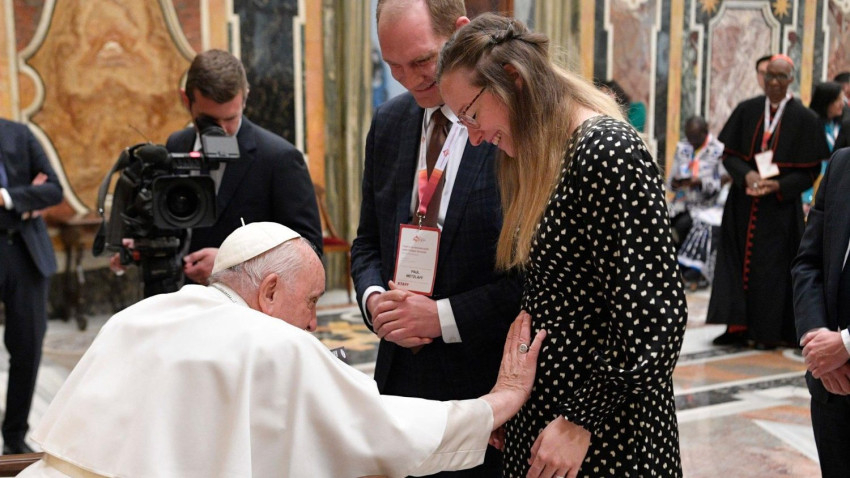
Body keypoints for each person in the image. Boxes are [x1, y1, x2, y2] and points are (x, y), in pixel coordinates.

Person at [17, 222, 546, 477]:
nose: (315, 321)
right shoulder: (269, 341)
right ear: (269, 291)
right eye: (311, 301)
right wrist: (498, 401)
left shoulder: (145, 312)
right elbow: (382, 429)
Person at [437, 13, 687, 477]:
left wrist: (580, 419)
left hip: (605, 435)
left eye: (471, 114)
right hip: (549, 417)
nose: (473, 136)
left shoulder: (606, 150)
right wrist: (516, 399)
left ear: (513, 78)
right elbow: (555, 298)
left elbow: (655, 318)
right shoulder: (541, 156)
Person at [351, 1, 522, 475]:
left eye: (422, 60)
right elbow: (366, 243)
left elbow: (532, 276)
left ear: (460, 32)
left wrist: (440, 317)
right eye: (393, 66)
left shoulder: (507, 126)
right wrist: (376, 303)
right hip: (401, 382)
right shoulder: (389, 123)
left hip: (484, 386)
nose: (410, 79)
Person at [165, 49, 322, 285]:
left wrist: (230, 264)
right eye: (209, 121)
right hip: (178, 297)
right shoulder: (176, 144)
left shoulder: (280, 158)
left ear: (245, 97)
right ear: (186, 101)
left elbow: (310, 251)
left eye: (230, 119)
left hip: (246, 303)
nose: (221, 130)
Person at [707, 54, 829, 348]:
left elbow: (810, 170)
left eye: (780, 77)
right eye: (769, 76)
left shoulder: (805, 119)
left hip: (779, 209)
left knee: (773, 270)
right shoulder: (747, 109)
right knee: (735, 262)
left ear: (790, 80)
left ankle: (767, 331)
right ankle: (737, 326)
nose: (774, 82)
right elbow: (729, 156)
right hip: (742, 204)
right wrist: (747, 175)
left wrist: (778, 185)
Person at [0, 119, 63, 454]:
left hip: (25, 255)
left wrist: (7, 198)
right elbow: (38, 194)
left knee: (27, 349)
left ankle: (14, 439)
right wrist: (26, 203)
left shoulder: (18, 133)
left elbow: (53, 190)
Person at [791, 148, 850, 478]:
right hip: (830, 387)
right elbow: (808, 262)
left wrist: (845, 345)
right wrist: (816, 338)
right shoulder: (842, 164)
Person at [667, 116, 728, 289]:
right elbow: (670, 181)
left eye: (695, 137)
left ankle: (689, 273)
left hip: (708, 204)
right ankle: (669, 269)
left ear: (705, 132)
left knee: (684, 225)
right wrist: (676, 183)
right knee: (661, 221)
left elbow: (725, 179)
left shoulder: (718, 150)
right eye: (689, 137)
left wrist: (701, 182)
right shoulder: (683, 148)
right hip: (682, 201)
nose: (692, 142)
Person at [802, 81, 850, 207]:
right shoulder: (811, 126)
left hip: (836, 184)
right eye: (837, 100)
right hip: (814, 185)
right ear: (826, 102)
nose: (842, 104)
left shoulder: (841, 125)